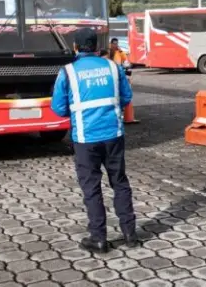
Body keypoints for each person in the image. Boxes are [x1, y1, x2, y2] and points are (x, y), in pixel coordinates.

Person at [50, 28, 137, 253]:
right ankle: (130, 234)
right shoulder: (113, 67)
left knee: (92, 187)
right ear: (98, 47)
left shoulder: (68, 72)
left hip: (86, 139)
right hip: (114, 135)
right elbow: (127, 98)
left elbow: (58, 109)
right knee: (120, 182)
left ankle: (98, 238)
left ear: (76, 47)